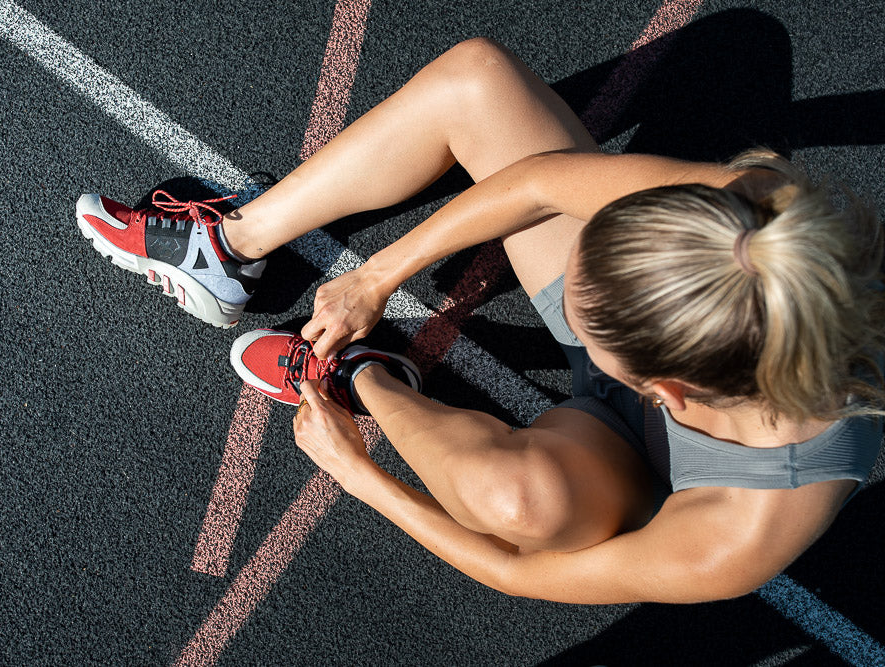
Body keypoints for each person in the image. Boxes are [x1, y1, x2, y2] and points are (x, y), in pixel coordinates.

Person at [75, 38, 884, 603]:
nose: (564, 292)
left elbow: (519, 572)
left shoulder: (744, 530)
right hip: (676, 333)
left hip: (626, 470)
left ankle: (366, 378)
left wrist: (359, 474)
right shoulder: (744, 222)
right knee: (477, 82)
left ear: (665, 387)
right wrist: (375, 275)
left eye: (586, 314)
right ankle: (230, 244)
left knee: (517, 504)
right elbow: (541, 185)